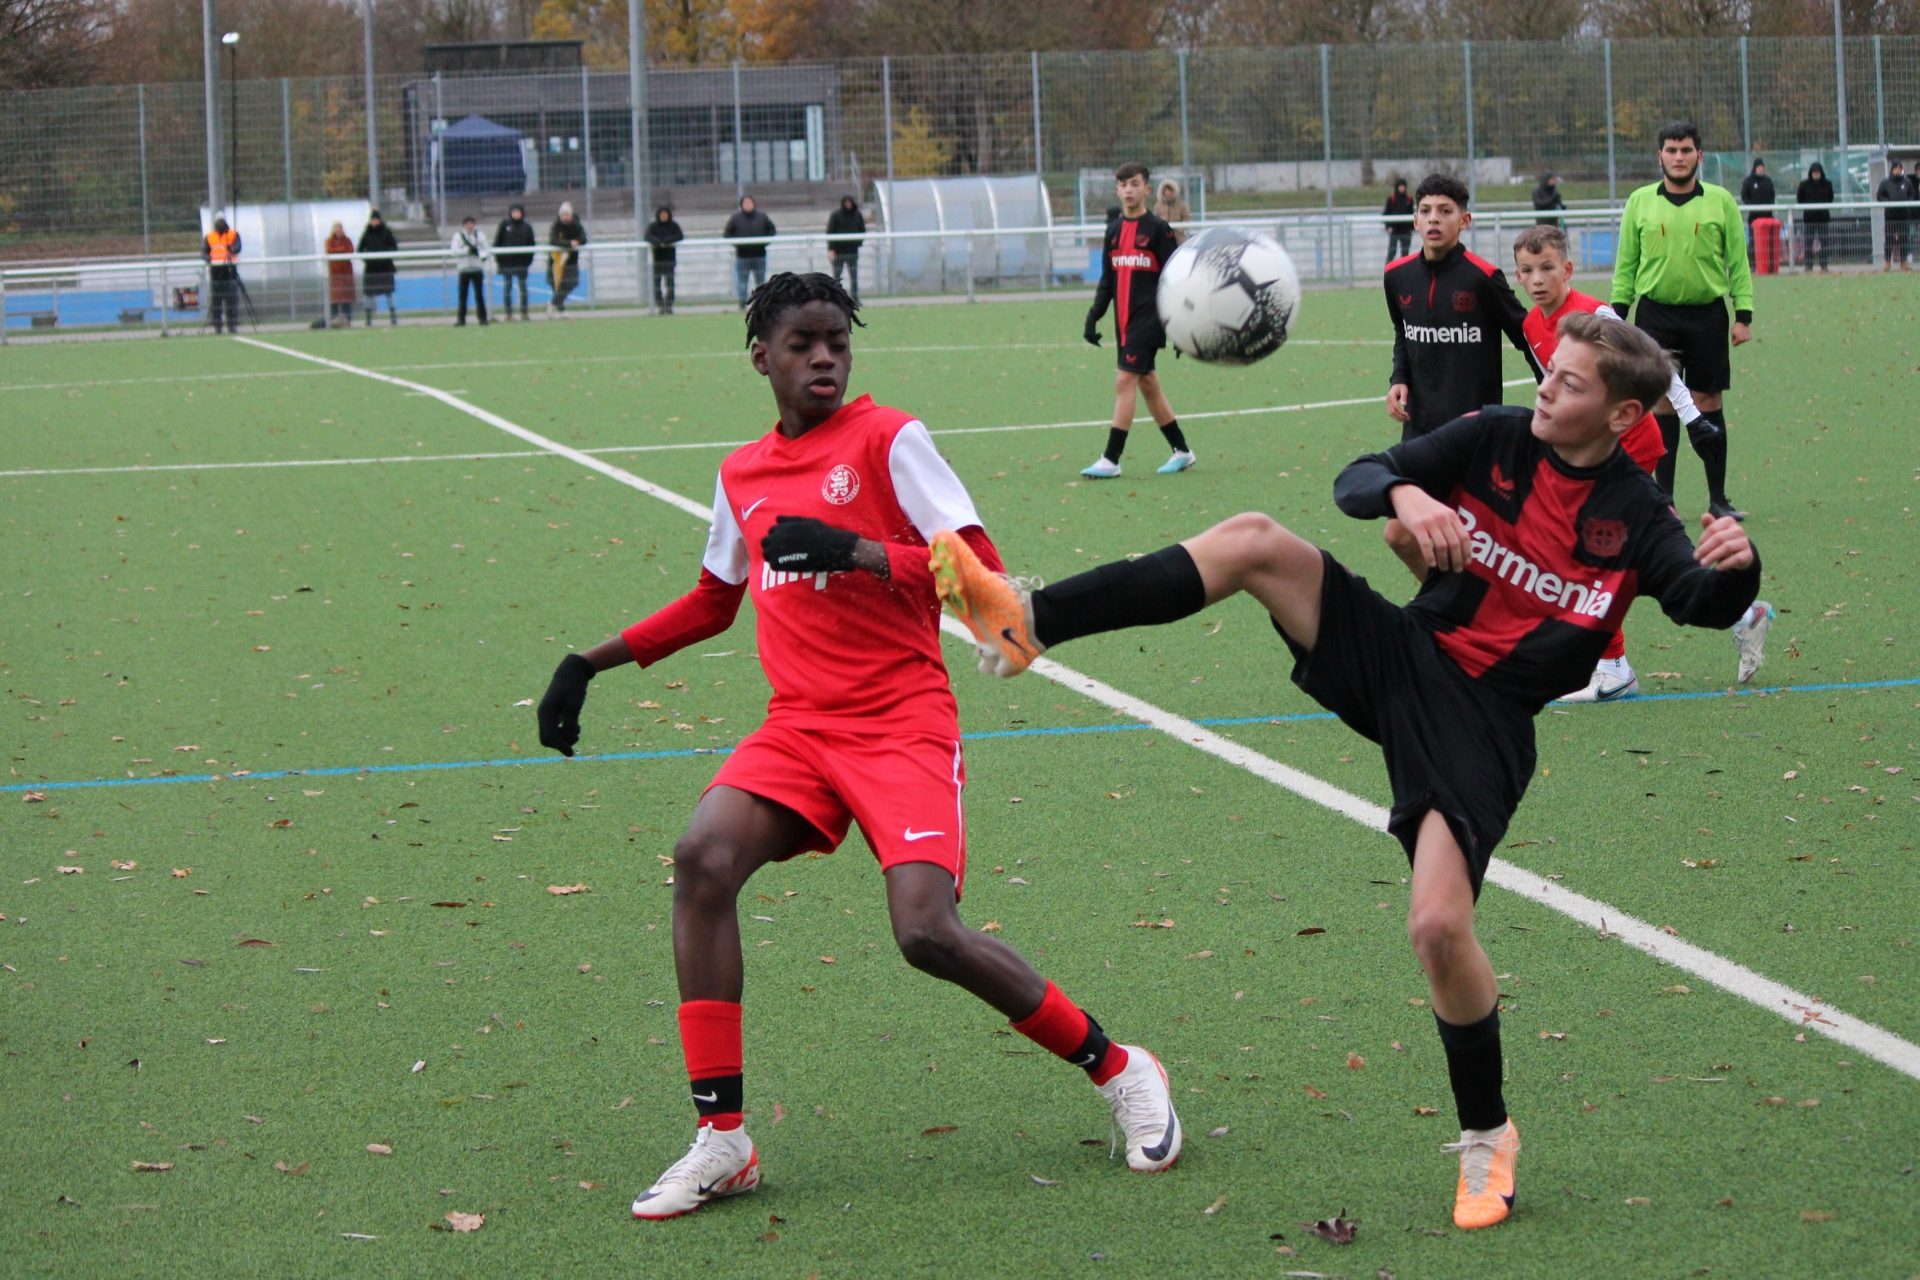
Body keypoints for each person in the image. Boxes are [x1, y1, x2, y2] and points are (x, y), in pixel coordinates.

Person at [931, 313, 1762, 1233]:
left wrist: (1738, 570)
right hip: (1406, 654)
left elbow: (1696, 598)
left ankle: (1487, 1135)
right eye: (1550, 371)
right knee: (1255, 539)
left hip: (1484, 724)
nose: (1546, 389)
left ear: (1622, 415)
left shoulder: (1637, 513)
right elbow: (1360, 478)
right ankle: (1031, 620)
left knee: (1438, 928)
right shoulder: (1496, 436)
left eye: (1570, 383)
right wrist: (1407, 495)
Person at [532, 271, 1183, 1222]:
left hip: (900, 721)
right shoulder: (741, 474)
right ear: (762, 358)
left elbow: (986, 580)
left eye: (836, 341)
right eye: (802, 344)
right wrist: (588, 663)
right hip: (799, 728)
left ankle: (1119, 1067)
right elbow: (715, 600)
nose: (824, 358)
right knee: (702, 858)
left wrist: (860, 551)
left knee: (925, 933)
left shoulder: (890, 440)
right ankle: (724, 1139)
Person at [1507, 224, 1773, 696]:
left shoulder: (1594, 315)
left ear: (1567, 269)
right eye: (1527, 271)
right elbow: (1551, 383)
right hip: (1592, 447)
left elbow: (1653, 363)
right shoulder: (1530, 327)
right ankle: (1741, 613)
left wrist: (1693, 419)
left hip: (1629, 442)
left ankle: (1614, 668)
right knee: (1637, 547)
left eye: (1547, 267)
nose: (1538, 278)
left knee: (1594, 548)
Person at [1611, 121, 1754, 520]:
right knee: (1663, 403)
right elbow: (1626, 264)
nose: (1678, 157)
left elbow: (1738, 261)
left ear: (1699, 156)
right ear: (1659, 156)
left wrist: (1743, 314)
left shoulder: (1720, 201)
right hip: (1655, 316)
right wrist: (1618, 314)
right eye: (1671, 150)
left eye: (1686, 150)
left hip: (1707, 316)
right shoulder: (1639, 201)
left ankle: (1718, 499)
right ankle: (1665, 499)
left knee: (1708, 401)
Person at [1385, 173, 1540, 441]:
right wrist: (1399, 377)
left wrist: (1553, 391)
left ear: (1464, 221)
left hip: (1475, 430)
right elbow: (1403, 331)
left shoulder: (1484, 277)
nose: (1434, 218)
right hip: (1418, 429)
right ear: (1416, 221)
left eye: (1445, 211)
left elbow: (1527, 338)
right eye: (1426, 211)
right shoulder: (1396, 275)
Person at [1080, 161, 1192, 479]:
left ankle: (1111, 459)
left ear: (1146, 189)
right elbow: (1108, 279)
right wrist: (1094, 317)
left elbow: (1175, 280)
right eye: (1123, 184)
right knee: (1148, 384)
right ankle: (1182, 451)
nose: (1128, 190)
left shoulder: (1159, 229)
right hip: (1124, 322)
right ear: (1117, 190)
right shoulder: (1114, 230)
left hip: (1149, 319)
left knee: (1124, 381)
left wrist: (1179, 325)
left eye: (1134, 184)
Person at [724, 195, 776, 309]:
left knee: (760, 282)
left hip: (759, 255)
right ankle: (742, 304)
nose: (748, 205)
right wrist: (738, 244)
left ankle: (761, 304)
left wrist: (764, 243)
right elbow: (727, 233)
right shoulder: (736, 218)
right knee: (742, 282)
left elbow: (772, 230)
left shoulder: (762, 217)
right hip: (742, 257)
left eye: (750, 203)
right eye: (745, 203)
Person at [494, 203, 536, 320]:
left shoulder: (527, 227)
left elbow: (532, 245)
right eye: (514, 212)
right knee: (507, 288)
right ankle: (508, 314)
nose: (516, 214)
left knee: (523, 288)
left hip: (522, 264)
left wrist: (527, 261)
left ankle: (524, 313)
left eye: (518, 212)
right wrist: (500, 260)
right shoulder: (504, 225)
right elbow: (497, 243)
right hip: (506, 263)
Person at [357, 211, 400, 327]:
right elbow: (360, 249)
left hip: (385, 268)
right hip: (371, 269)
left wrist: (387, 257)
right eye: (373, 219)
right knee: (368, 294)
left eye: (376, 219)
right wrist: (367, 260)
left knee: (388, 293)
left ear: (379, 220)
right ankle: (368, 319)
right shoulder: (366, 233)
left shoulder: (386, 232)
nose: (374, 221)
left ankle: (393, 318)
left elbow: (394, 247)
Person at [547, 202, 588, 316]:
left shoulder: (577, 225)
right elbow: (553, 240)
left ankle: (553, 302)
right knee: (558, 285)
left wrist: (577, 242)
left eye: (567, 215)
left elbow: (583, 238)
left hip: (571, 260)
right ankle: (560, 309)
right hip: (557, 261)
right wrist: (569, 244)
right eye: (563, 215)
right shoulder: (556, 226)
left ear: (571, 215)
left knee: (573, 282)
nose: (565, 217)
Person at [203, 216, 240, 334]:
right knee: (216, 302)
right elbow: (204, 252)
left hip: (230, 272)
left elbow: (238, 247)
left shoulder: (233, 234)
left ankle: (232, 325)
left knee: (231, 301)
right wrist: (208, 258)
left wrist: (232, 249)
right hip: (216, 273)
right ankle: (217, 326)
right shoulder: (209, 236)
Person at [452, 215, 490, 326]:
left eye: (471, 223)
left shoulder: (480, 235)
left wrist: (481, 254)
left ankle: (482, 318)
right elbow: (454, 251)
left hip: (477, 269)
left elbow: (487, 250)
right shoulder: (458, 236)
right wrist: (467, 251)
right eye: (467, 224)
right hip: (464, 269)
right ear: (464, 225)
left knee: (479, 295)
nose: (470, 226)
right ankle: (461, 319)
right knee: (463, 296)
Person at [825, 195, 866, 299]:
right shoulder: (836, 215)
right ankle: (837, 298)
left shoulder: (857, 215)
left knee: (854, 275)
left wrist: (858, 243)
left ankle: (855, 298)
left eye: (850, 202)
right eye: (846, 202)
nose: (848, 204)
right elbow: (830, 232)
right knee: (837, 275)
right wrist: (831, 249)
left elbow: (862, 230)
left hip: (852, 251)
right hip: (838, 251)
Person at [644, 206, 684, 314]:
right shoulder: (653, 226)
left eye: (665, 214)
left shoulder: (673, 226)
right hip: (657, 260)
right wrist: (658, 242)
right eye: (662, 214)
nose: (663, 216)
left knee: (670, 284)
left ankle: (668, 305)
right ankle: (660, 305)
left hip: (669, 260)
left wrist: (666, 242)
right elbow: (647, 236)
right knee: (656, 284)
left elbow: (679, 235)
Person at [1796, 162, 1833, 272]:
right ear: (1811, 173)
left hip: (1823, 218)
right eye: (1814, 172)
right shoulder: (1804, 185)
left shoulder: (1827, 184)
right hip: (1809, 218)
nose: (1816, 174)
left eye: (1818, 172)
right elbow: (1799, 199)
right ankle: (1808, 265)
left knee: (1824, 242)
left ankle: (1824, 265)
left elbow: (1830, 198)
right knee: (1808, 242)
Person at [1876, 160, 1912, 271]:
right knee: (1889, 239)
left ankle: (1904, 261)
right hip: (1890, 215)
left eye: (1899, 169)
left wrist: (1906, 202)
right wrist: (1888, 202)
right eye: (1896, 169)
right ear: (1892, 170)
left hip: (1904, 215)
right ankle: (1887, 262)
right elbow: (1879, 196)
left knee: (1904, 238)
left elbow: (1912, 195)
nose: (1897, 171)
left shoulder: (1907, 182)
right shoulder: (1885, 182)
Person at [1740, 159, 1775, 267]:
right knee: (1754, 241)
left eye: (1762, 167)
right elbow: (1744, 195)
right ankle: (1753, 264)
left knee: (1769, 241)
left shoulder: (1768, 181)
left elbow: (1772, 195)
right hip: (1754, 217)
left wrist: (1769, 207)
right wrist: (1751, 206)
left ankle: (1769, 264)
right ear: (1755, 168)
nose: (1760, 169)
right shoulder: (1749, 181)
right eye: (1758, 167)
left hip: (1767, 217)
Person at [324, 221, 355, 329]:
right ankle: (334, 321)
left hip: (346, 274)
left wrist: (340, 251)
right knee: (335, 299)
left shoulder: (347, 240)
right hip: (335, 274)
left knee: (347, 298)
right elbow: (329, 250)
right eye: (336, 228)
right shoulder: (329, 241)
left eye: (339, 228)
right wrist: (341, 250)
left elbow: (350, 250)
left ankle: (347, 320)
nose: (338, 230)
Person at [1382, 177, 1414, 261]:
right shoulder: (1392, 198)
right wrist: (1388, 226)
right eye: (1400, 186)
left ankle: (1404, 269)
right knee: (1392, 251)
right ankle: (1388, 268)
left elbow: (1411, 213)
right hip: (1395, 229)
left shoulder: (1409, 198)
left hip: (1405, 229)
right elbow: (1386, 213)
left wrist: (1411, 227)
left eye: (1403, 186)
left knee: (1405, 253)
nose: (1402, 188)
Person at [1154, 178, 1191, 245]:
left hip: (1178, 238)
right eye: (1166, 191)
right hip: (1162, 238)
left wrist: (1180, 228)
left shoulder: (1181, 205)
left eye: (1169, 190)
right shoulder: (1158, 206)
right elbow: (1155, 219)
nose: (1167, 193)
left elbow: (1187, 218)